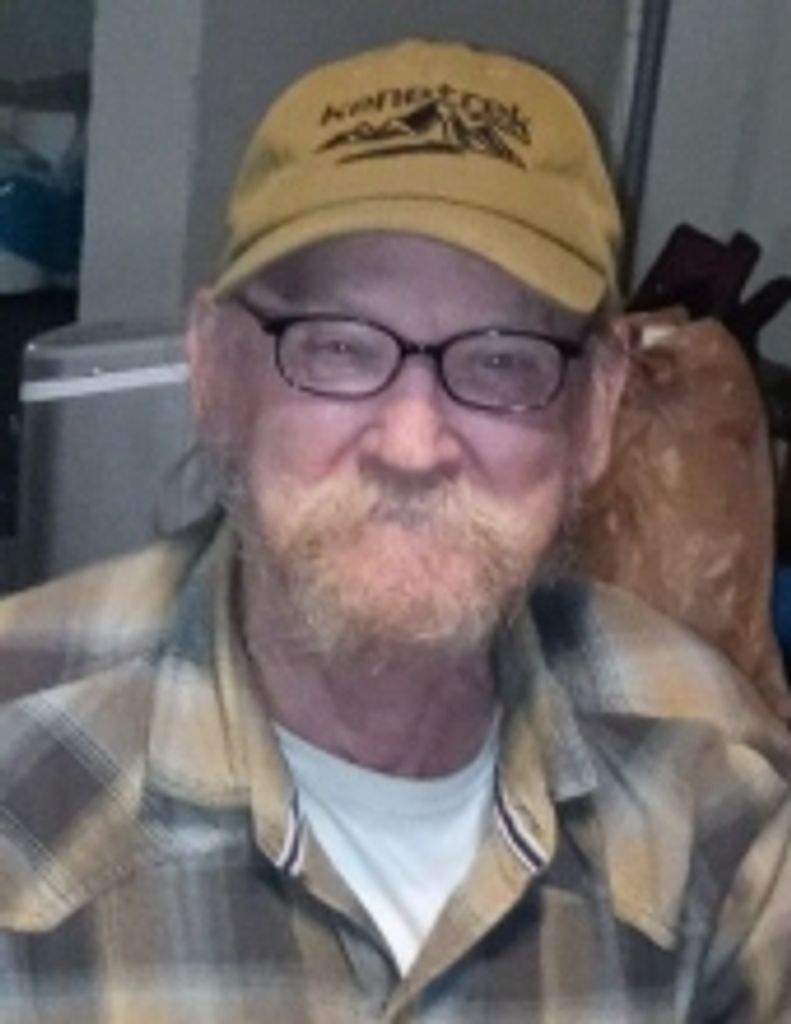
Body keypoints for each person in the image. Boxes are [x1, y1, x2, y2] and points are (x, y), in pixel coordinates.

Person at [1, 38, 789, 1022]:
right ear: (216, 374)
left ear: (594, 413)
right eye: (336, 346)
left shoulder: (714, 780)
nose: (413, 445)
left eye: (500, 359)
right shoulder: (20, 761)